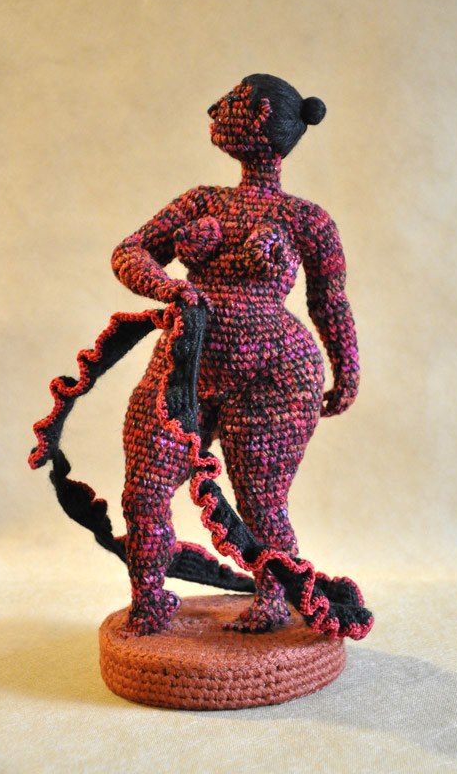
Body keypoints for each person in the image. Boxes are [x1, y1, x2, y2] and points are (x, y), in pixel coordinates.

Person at [110, 74, 361, 635]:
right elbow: (129, 251)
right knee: (146, 483)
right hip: (187, 365)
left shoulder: (307, 220)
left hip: (277, 375)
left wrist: (346, 369)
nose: (214, 108)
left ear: (259, 115)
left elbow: (329, 300)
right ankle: (149, 597)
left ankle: (273, 597)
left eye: (229, 102)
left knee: (262, 499)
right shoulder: (202, 201)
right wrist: (170, 287)